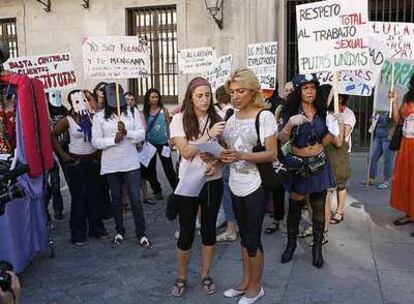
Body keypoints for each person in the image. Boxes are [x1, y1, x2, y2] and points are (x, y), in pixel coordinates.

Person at [220, 68, 277, 304]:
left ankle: (256, 287)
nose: (235, 96)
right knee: (244, 236)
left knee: (253, 237)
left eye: (240, 91)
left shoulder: (264, 116)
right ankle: (245, 281)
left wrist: (242, 156)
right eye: (232, 92)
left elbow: (272, 154)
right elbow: (229, 147)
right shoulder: (231, 117)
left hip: (256, 184)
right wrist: (217, 152)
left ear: (252, 91)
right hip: (234, 182)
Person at [278, 74, 344, 269]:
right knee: (295, 208)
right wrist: (290, 124)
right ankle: (290, 245)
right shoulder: (289, 112)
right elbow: (281, 139)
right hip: (298, 166)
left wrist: (335, 126)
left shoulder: (323, 113)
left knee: (318, 209)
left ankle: (317, 249)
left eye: (313, 88)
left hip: (319, 166)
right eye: (305, 88)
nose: (310, 92)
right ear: (298, 91)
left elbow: (331, 141)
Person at [169, 77, 224, 297]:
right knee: (187, 232)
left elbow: (225, 152)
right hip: (189, 182)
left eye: (208, 95)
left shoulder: (217, 118)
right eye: (199, 95)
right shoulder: (179, 119)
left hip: (213, 182)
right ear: (190, 98)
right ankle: (181, 276)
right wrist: (208, 135)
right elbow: (185, 152)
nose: (204, 99)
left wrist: (216, 163)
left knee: (209, 230)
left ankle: (205, 274)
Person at [92, 83, 152, 248]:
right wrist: (113, 140)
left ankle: (141, 233)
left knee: (135, 199)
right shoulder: (99, 117)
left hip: (130, 162)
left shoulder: (132, 113)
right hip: (111, 164)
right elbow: (95, 141)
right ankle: (119, 231)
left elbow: (141, 134)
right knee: (116, 199)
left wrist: (127, 133)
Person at [52, 90, 108, 246]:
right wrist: (63, 155)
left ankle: (96, 228)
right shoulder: (68, 120)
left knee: (93, 195)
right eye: (77, 101)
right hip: (76, 162)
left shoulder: (93, 118)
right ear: (71, 104)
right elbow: (53, 135)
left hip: (92, 161)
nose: (81, 103)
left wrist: (98, 153)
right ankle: (78, 233)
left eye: (83, 99)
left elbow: (101, 131)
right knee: (78, 198)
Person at [142, 88, 178, 200]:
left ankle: (177, 191)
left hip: (163, 144)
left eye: (156, 97)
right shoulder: (144, 112)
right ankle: (157, 190)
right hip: (150, 144)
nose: (155, 99)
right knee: (150, 170)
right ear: (148, 98)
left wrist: (170, 139)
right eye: (152, 97)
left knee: (168, 168)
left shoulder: (164, 110)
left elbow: (168, 126)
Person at [325, 94, 355, 227]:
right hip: (326, 151)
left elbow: (341, 138)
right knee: (328, 185)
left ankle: (339, 211)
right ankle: (325, 211)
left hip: (340, 153)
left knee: (340, 182)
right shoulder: (326, 111)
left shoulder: (348, 114)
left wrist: (339, 122)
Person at [390, 73, 414, 234]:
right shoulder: (408, 96)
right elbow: (398, 119)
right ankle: (409, 213)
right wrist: (394, 101)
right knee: (405, 179)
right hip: (406, 143)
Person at [214, 86, 237, 242]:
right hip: (236, 159)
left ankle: (230, 229)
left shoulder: (225, 115)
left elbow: (222, 139)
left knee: (228, 195)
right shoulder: (237, 113)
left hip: (229, 159)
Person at [46, 89, 69, 220]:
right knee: (55, 181)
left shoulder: (63, 109)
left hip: (64, 148)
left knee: (69, 177)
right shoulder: (44, 110)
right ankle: (58, 209)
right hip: (51, 151)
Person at [365, 111, 396, 189]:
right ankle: (371, 178)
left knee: (388, 160)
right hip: (378, 137)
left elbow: (394, 119)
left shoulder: (392, 106)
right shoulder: (377, 109)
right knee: (371, 157)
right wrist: (372, 118)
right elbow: (371, 121)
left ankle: (386, 181)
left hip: (388, 137)